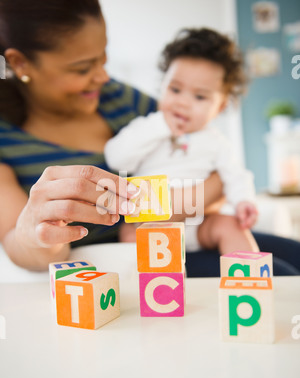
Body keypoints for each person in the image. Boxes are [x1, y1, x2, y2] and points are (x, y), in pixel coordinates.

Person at [0, 1, 299, 276]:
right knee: (283, 278)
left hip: (193, 225)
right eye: (82, 67)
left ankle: (248, 278)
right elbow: (21, 245)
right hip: (130, 255)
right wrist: (35, 233)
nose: (103, 77)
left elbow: (214, 172)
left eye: (104, 57)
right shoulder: (7, 139)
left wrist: (215, 201)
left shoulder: (117, 97)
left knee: (291, 259)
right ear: (21, 63)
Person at [105, 28, 259, 255]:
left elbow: (235, 176)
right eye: (175, 90)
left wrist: (244, 201)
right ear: (162, 87)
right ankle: (153, 286)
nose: (183, 103)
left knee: (231, 226)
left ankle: (248, 284)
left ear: (221, 107)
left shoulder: (216, 142)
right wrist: (159, 126)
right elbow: (116, 157)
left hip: (198, 224)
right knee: (128, 235)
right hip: (149, 226)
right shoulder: (148, 127)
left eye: (199, 96)